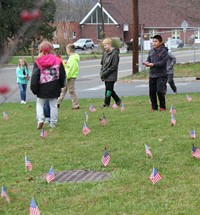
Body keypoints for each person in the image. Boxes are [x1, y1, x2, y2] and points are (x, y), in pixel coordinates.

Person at [30, 40, 66, 129]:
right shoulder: (57, 61)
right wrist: (61, 85)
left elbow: (35, 76)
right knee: (53, 105)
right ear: (51, 50)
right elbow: (62, 74)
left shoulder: (38, 62)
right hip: (54, 86)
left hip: (42, 87)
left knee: (39, 104)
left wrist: (34, 88)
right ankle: (53, 123)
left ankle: (41, 119)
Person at [144, 35, 168, 111]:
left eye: (156, 41)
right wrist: (147, 63)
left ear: (160, 42)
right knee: (152, 92)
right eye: (153, 41)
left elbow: (163, 63)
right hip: (152, 74)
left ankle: (162, 107)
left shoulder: (164, 51)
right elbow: (149, 59)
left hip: (161, 75)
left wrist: (153, 64)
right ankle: (154, 107)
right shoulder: (151, 51)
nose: (154, 43)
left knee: (160, 91)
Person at [100, 38, 122, 107]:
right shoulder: (105, 54)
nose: (104, 47)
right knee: (110, 90)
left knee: (108, 90)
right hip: (105, 75)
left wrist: (106, 72)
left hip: (111, 75)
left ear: (110, 45)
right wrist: (102, 72)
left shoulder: (114, 54)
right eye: (104, 46)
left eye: (106, 45)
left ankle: (106, 103)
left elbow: (114, 66)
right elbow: (102, 63)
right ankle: (118, 100)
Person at [57, 44, 80, 109]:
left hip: (70, 76)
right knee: (63, 90)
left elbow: (71, 69)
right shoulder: (71, 57)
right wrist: (65, 64)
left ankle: (76, 105)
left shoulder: (73, 58)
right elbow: (69, 67)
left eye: (67, 49)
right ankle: (57, 103)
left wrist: (67, 76)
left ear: (69, 50)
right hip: (68, 76)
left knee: (71, 90)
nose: (66, 50)